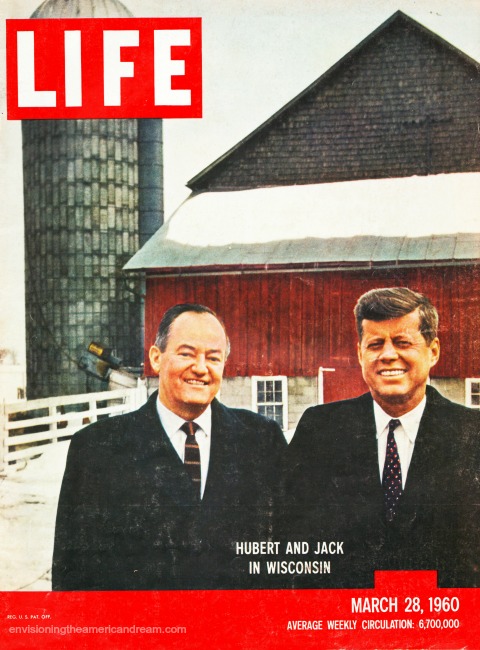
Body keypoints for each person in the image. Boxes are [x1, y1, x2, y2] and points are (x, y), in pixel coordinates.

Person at [52, 303, 285, 590]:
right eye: (186, 354)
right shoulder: (97, 449)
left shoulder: (263, 440)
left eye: (213, 358)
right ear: (156, 358)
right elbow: (72, 577)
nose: (200, 368)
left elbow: (284, 559)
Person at [280, 287, 479, 588]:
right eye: (375, 344)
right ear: (361, 354)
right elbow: (289, 539)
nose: (388, 355)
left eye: (402, 342)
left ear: (433, 351)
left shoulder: (472, 434)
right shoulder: (320, 430)